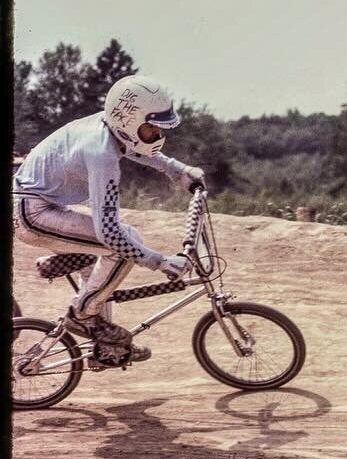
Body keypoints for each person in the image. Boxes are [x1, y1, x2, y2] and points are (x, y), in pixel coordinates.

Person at [12, 76, 204, 364]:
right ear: (127, 120)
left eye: (159, 129)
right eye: (151, 128)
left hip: (37, 204)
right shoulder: (101, 155)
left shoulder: (109, 126)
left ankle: (105, 347)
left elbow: (138, 149)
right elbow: (110, 233)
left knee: (104, 262)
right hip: (33, 214)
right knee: (123, 245)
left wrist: (178, 171)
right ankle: (83, 317)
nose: (156, 135)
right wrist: (160, 261)